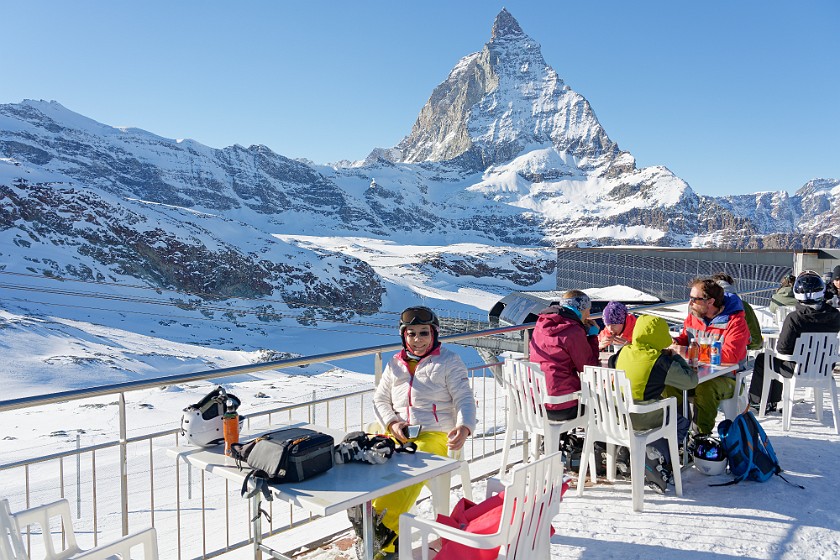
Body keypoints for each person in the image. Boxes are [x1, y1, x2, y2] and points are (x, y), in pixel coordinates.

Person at [365, 306, 477, 558]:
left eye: (423, 333)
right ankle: (369, 522)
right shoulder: (395, 364)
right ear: (404, 336)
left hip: (436, 435)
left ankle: (383, 537)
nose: (417, 340)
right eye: (411, 334)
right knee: (367, 463)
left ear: (434, 333)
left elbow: (464, 399)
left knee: (410, 469)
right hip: (401, 433)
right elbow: (380, 399)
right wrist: (393, 423)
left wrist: (465, 426)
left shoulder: (449, 361)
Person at [609, 315, 697, 492]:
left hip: (619, 417)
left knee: (659, 408)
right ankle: (659, 456)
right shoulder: (660, 361)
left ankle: (627, 450)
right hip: (643, 417)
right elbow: (690, 382)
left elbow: (611, 364)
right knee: (681, 421)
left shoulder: (622, 353)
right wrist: (676, 358)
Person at [748, 271, 840, 411]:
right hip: (824, 368)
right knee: (774, 359)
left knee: (764, 359)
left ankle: (760, 402)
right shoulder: (835, 316)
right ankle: (770, 402)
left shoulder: (794, 318)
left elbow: (782, 349)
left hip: (797, 369)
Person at [669, 278, 750, 435]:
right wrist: (675, 342)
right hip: (696, 373)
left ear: (710, 301)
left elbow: (730, 355)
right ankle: (678, 431)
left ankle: (700, 435)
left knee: (705, 388)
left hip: (728, 378)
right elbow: (686, 338)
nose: (690, 303)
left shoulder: (735, 322)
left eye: (695, 299)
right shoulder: (694, 316)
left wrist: (688, 352)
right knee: (669, 382)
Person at [529, 290, 600, 422]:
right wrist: (592, 337)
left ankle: (557, 438)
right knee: (600, 406)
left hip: (537, 402)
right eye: (587, 310)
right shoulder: (573, 331)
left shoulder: (541, 324)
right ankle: (594, 442)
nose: (589, 314)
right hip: (561, 407)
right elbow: (589, 367)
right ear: (580, 309)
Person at [712, 272, 763, 351]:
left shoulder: (705, 305)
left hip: (707, 353)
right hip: (736, 355)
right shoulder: (744, 306)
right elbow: (756, 340)